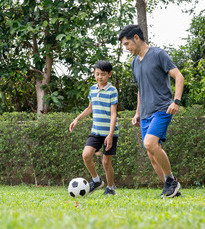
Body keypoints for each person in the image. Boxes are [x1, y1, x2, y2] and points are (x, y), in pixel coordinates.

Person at [118, 25, 184, 198]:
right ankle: (170, 189)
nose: (126, 48)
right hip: (146, 113)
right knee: (151, 154)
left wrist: (176, 101)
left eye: (127, 44)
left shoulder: (158, 54)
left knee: (150, 143)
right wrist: (137, 113)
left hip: (162, 108)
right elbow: (141, 89)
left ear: (136, 38)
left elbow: (179, 76)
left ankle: (171, 180)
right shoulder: (134, 63)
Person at [69, 60, 119, 196]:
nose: (99, 77)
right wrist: (77, 119)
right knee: (86, 155)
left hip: (110, 133)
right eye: (97, 74)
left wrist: (110, 135)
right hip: (96, 132)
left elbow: (114, 114)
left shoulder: (112, 91)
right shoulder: (92, 89)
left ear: (109, 74)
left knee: (106, 162)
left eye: (103, 74)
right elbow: (89, 108)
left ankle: (110, 188)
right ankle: (96, 180)